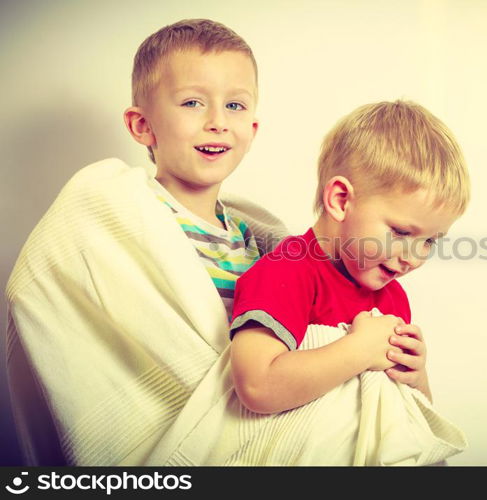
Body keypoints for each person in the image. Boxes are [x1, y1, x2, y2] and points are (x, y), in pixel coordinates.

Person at [5, 19, 287, 465]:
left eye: (235, 105)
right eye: (193, 102)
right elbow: (39, 289)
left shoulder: (259, 242)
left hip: (257, 426)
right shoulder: (121, 218)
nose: (218, 122)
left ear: (253, 127)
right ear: (142, 126)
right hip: (178, 435)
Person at [229, 101, 469, 421]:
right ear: (341, 201)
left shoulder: (392, 298)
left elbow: (413, 420)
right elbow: (257, 387)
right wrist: (361, 349)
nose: (413, 257)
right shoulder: (286, 271)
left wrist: (417, 377)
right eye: (400, 232)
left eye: (429, 241)